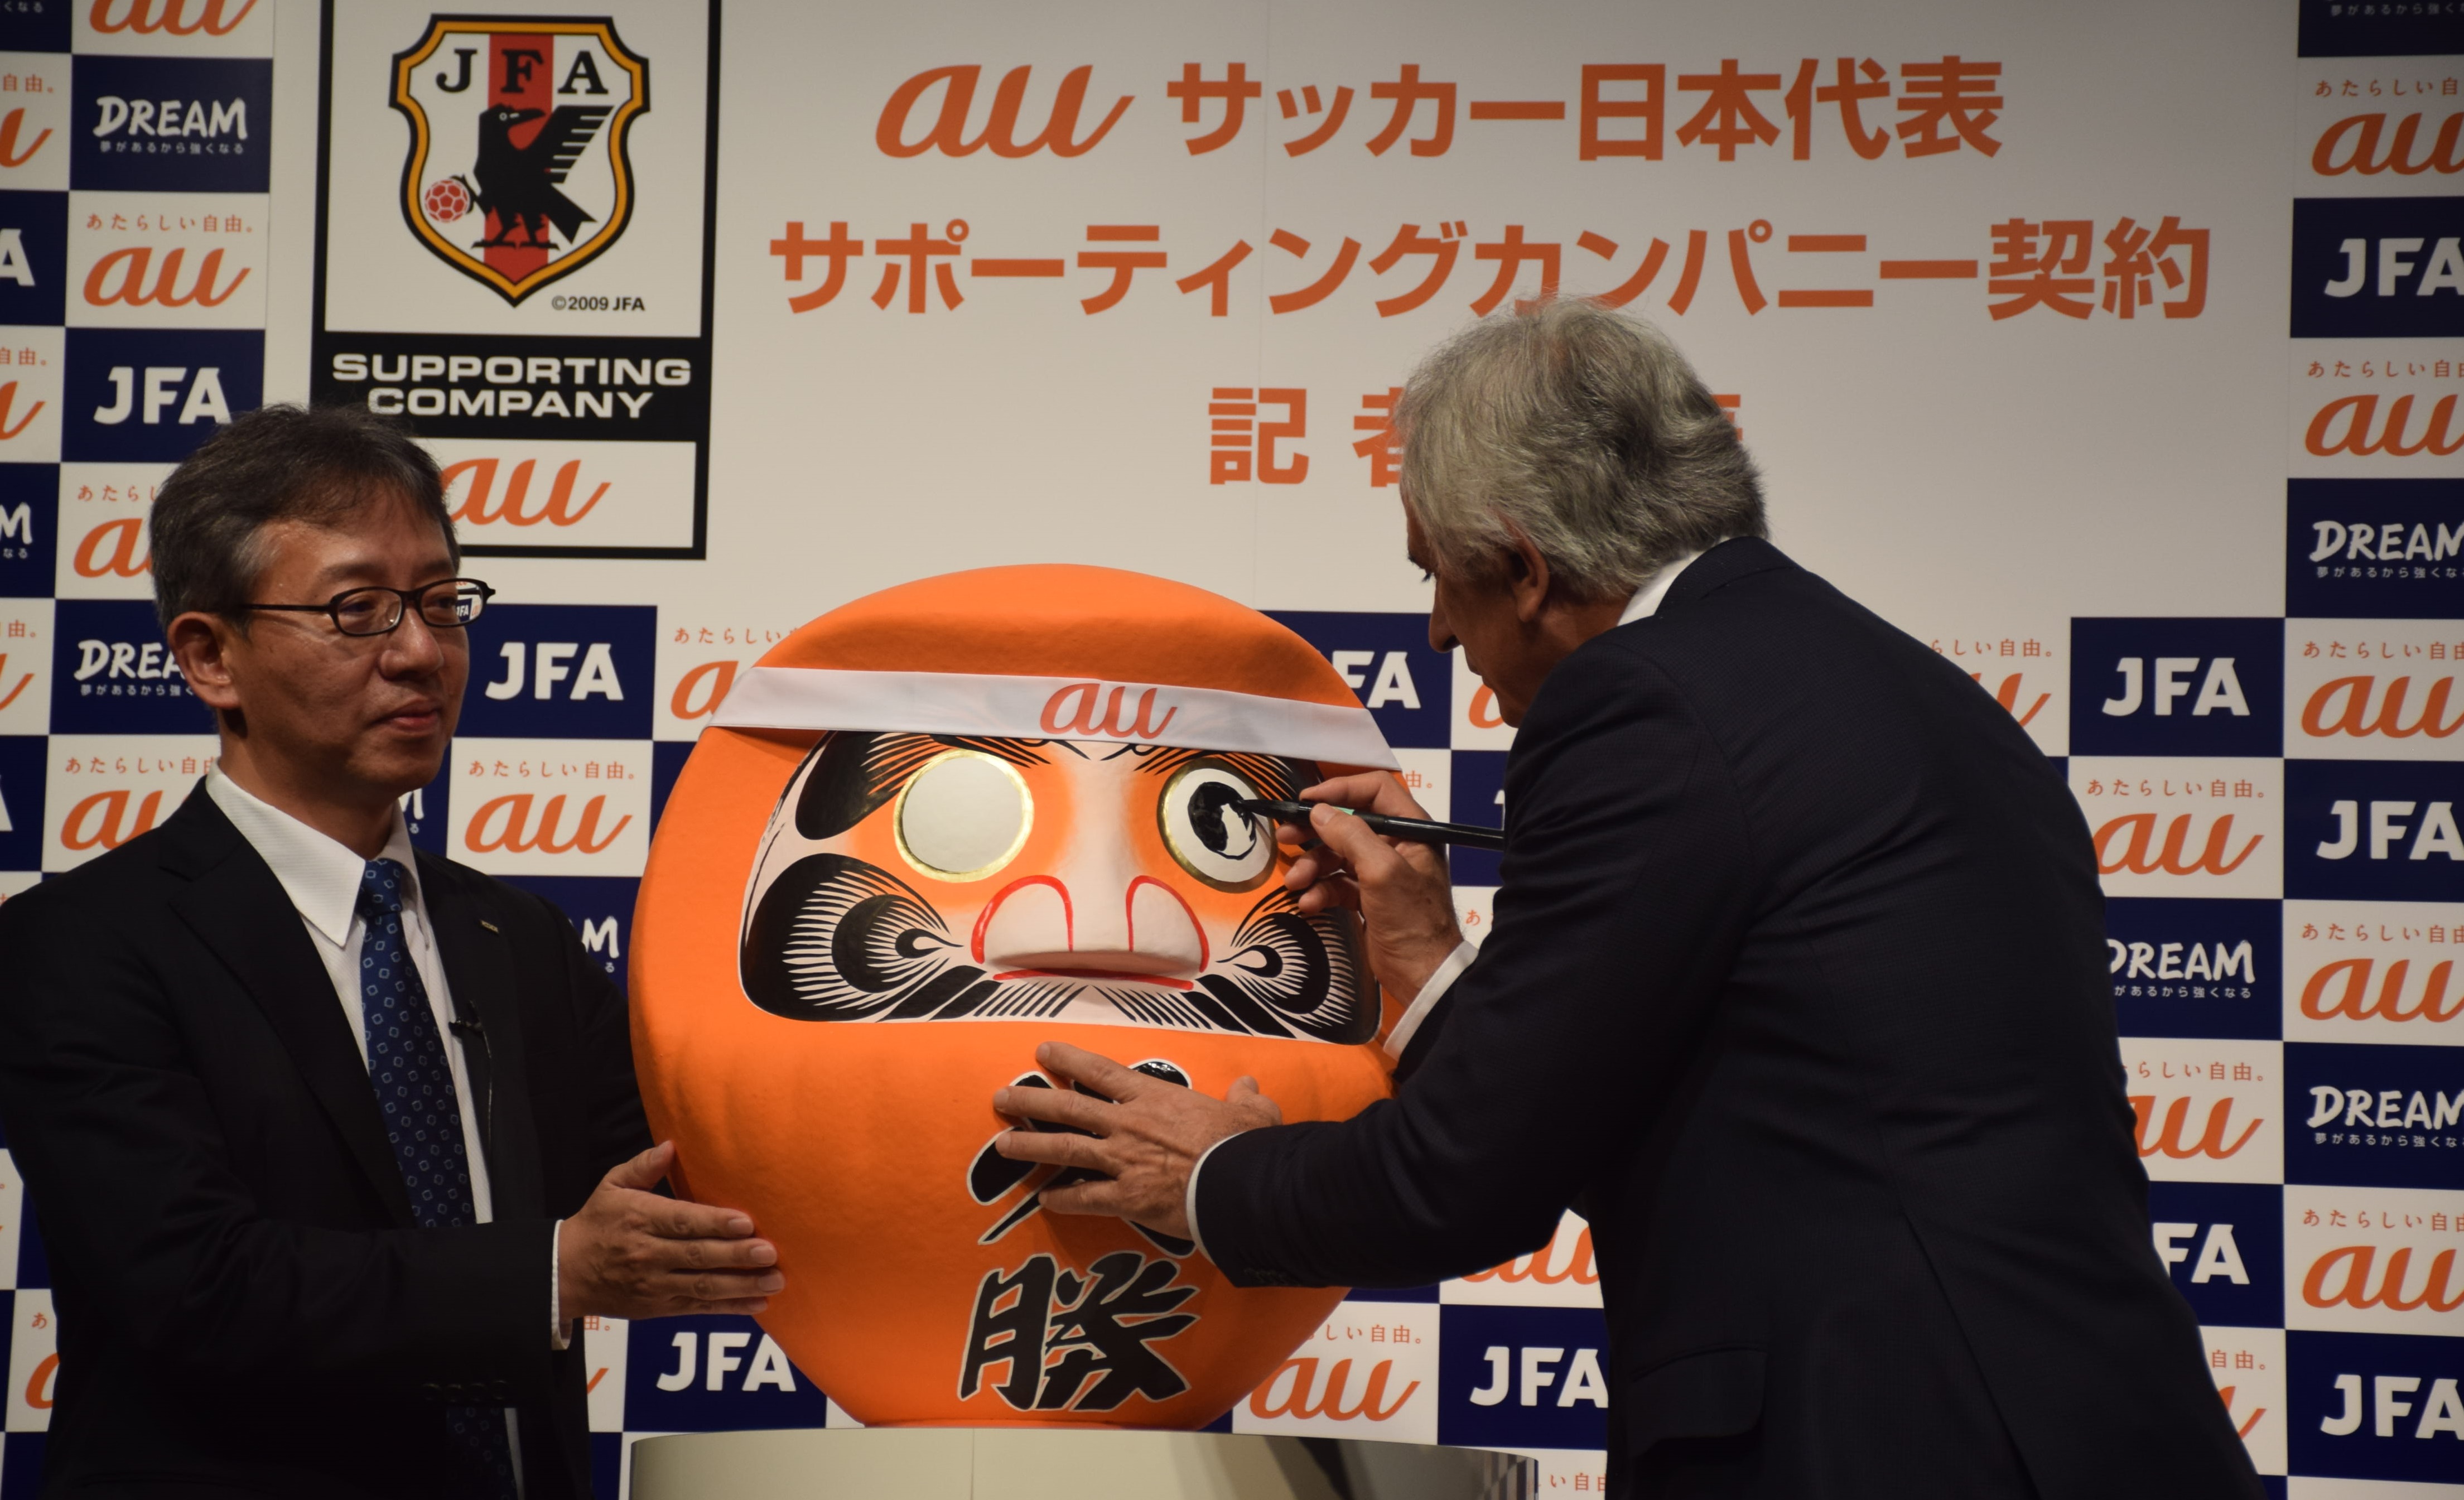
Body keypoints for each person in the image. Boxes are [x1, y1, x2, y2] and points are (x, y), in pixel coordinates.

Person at [986, 300, 2265, 1499]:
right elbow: (1719, 1114)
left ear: (1525, 568)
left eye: (1438, 576)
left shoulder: (1641, 698)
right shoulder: (1912, 696)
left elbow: (1467, 1185)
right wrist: (1424, 948)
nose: (1436, 633)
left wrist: (1207, 1173)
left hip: (1883, 1440)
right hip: (2092, 1429)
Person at [0, 405, 783, 1499]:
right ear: (210, 656)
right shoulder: (77, 943)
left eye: (440, 601)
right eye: (357, 609)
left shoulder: (519, 938)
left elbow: (698, 1179)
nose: (419, 651)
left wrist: (957, 1117)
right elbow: (193, 1284)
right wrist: (548, 1273)